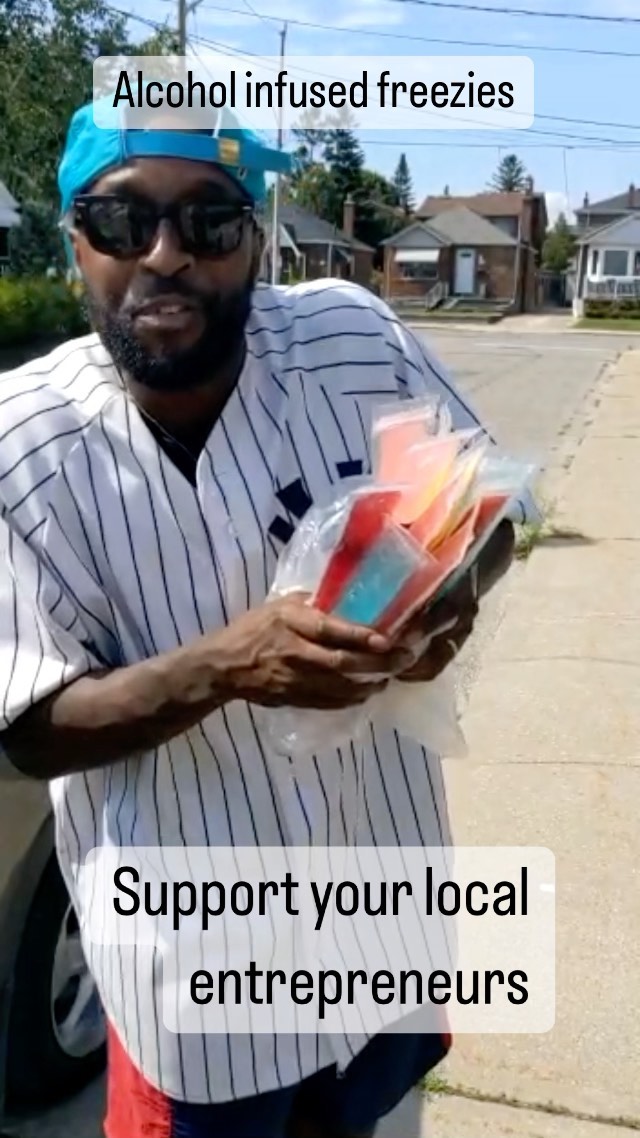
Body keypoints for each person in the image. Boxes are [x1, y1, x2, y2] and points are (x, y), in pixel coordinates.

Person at [0, 98, 532, 1138]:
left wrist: (447, 604)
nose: (166, 255)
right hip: (197, 995)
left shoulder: (354, 338)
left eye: (209, 220)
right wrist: (230, 664)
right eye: (122, 221)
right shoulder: (22, 447)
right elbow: (30, 729)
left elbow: (491, 514)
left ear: (255, 239)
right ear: (74, 243)